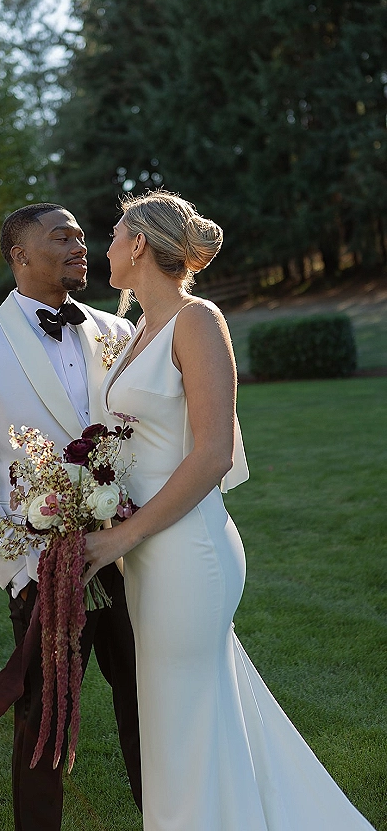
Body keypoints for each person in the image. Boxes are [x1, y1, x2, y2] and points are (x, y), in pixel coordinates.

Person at [83, 189, 376, 831]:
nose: (104, 247)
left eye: (112, 234)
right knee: (179, 713)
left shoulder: (197, 320)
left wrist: (121, 534)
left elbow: (213, 453)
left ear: (138, 245)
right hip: (147, 557)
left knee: (185, 714)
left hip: (187, 551)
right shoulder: (138, 332)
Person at [0, 202, 141, 831]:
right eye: (63, 237)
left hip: (136, 557)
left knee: (151, 709)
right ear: (20, 253)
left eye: (83, 236)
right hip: (43, 570)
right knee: (42, 723)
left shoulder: (120, 332)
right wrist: (20, 569)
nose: (81, 246)